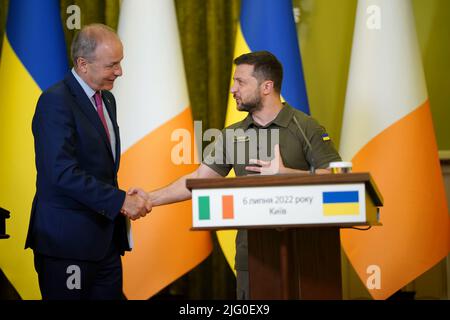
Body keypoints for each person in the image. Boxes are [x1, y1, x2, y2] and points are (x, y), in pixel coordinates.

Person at [130, 51, 341, 299]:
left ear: (267, 86)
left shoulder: (306, 127)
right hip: (252, 257)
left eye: (240, 82)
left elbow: (335, 177)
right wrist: (148, 199)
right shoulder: (231, 135)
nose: (233, 89)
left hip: (308, 256)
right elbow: (198, 180)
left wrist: (287, 174)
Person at [25, 24, 152, 300]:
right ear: (83, 64)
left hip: (105, 243)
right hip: (67, 246)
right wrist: (119, 201)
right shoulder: (55, 102)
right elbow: (61, 172)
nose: (119, 72)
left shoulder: (107, 99)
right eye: (112, 65)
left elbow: (101, 169)